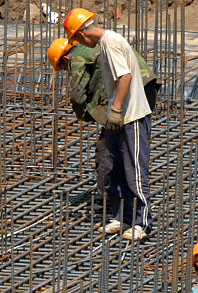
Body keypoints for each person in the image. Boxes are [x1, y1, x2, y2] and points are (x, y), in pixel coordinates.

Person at [64, 8, 153, 241]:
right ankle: (121, 217)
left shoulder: (111, 42)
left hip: (130, 115)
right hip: (119, 116)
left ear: (81, 35)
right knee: (115, 167)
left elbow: (125, 77)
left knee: (134, 168)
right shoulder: (104, 44)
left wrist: (114, 110)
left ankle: (142, 223)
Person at [48, 36, 159, 213]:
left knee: (106, 148)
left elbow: (77, 95)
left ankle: (107, 198)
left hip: (129, 93)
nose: (65, 71)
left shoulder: (77, 57)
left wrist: (86, 115)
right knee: (123, 145)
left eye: (62, 68)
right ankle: (121, 195)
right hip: (146, 87)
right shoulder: (94, 47)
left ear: (65, 59)